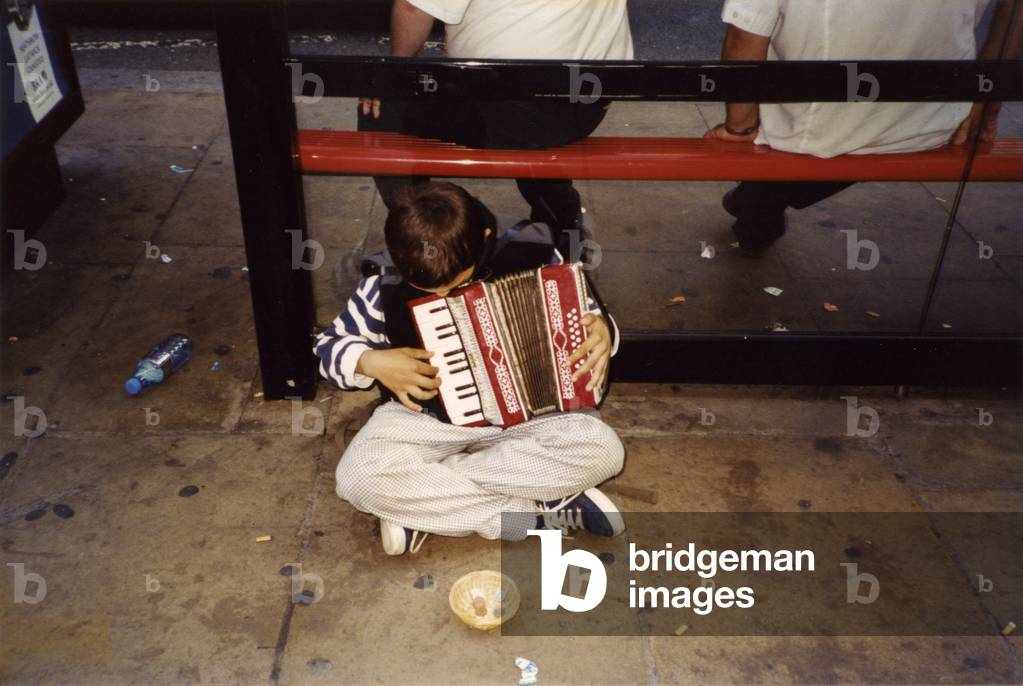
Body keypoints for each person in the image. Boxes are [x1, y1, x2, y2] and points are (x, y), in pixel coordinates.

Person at [314, 181, 625, 555]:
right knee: (357, 477)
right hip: (427, 420)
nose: (444, 300)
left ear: (485, 236)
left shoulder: (538, 252)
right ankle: (532, 512)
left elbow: (590, 316)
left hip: (533, 417)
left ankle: (423, 503)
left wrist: (604, 333)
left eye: (455, 284)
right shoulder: (382, 283)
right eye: (428, 289)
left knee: (604, 451)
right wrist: (370, 360)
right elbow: (327, 349)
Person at [706, 0, 1022, 255]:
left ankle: (761, 201)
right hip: (937, 119)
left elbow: (744, 37)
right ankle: (759, 202)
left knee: (788, 127)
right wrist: (986, 96)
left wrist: (740, 128)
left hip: (816, 127)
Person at [359, 0, 634, 258]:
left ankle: (421, 240)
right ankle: (563, 220)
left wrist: (395, 72)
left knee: (380, 111)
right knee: (532, 115)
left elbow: (413, 7)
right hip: (587, 109)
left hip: (506, 107)